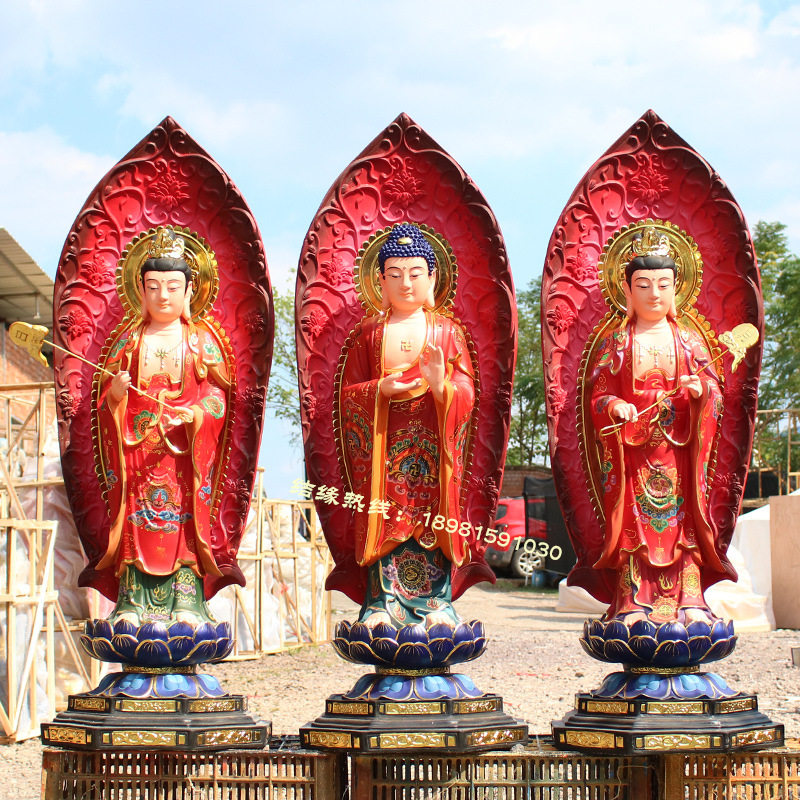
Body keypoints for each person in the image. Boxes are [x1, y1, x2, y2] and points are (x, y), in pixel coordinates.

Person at [338, 223, 476, 629]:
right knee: (385, 522)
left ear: (432, 279)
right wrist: (378, 390)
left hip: (433, 446)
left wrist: (441, 387)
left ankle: (436, 605)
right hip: (383, 451)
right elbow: (346, 396)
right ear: (380, 281)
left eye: (415, 274)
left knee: (431, 523)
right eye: (395, 274)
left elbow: (467, 391)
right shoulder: (368, 334)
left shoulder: (447, 332)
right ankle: (382, 604)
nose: (405, 283)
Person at [94, 229, 232, 625]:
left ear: (189, 291)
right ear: (141, 290)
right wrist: (115, 395)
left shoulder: (199, 341)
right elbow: (104, 402)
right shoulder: (130, 342)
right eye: (153, 287)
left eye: (173, 287)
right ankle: (133, 601)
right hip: (136, 451)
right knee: (137, 522)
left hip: (183, 454)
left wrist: (196, 415)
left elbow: (219, 397)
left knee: (181, 522)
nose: (163, 296)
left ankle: (186, 600)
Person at [587, 244, 731, 626]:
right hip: (633, 456)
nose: (654, 294)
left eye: (663, 285)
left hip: (679, 454)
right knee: (635, 528)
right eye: (644, 285)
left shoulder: (689, 342)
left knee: (683, 527)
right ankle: (632, 601)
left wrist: (701, 393)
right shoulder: (618, 343)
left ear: (676, 289)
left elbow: (715, 391)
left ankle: (689, 600)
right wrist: (615, 406)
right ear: (628, 290)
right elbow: (598, 395)